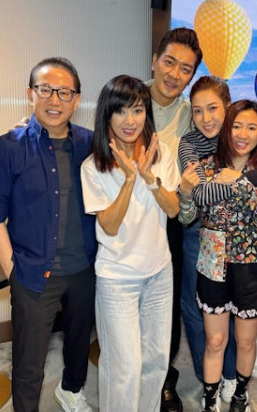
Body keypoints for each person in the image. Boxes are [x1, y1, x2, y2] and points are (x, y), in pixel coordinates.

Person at [0, 57, 96, 412]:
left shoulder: (92, 145)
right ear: (30, 94)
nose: (54, 100)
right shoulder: (7, 147)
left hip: (85, 268)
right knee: (29, 357)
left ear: (77, 99)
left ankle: (71, 390)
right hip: (31, 273)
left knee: (79, 341)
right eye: (45, 90)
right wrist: (12, 270)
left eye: (64, 92)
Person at [81, 75, 180, 412]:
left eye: (137, 110)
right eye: (121, 111)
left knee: (155, 361)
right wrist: (128, 179)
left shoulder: (161, 154)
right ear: (107, 116)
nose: (130, 120)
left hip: (159, 273)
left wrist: (148, 176)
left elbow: (173, 209)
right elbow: (108, 226)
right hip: (117, 279)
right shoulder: (93, 166)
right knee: (123, 368)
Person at [180, 99, 257, 412]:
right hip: (213, 266)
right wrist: (187, 193)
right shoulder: (206, 166)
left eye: (252, 127)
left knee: (246, 341)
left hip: (253, 269)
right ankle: (210, 399)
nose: (243, 134)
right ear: (227, 129)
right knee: (215, 341)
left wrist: (239, 182)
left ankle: (239, 396)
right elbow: (191, 211)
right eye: (237, 126)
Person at [148, 27, 202, 412]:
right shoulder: (127, 97)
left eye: (185, 69)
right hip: (124, 217)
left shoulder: (190, 115)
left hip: (170, 218)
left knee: (167, 304)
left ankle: (165, 377)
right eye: (169, 62)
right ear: (155, 61)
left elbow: (227, 141)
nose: (174, 74)